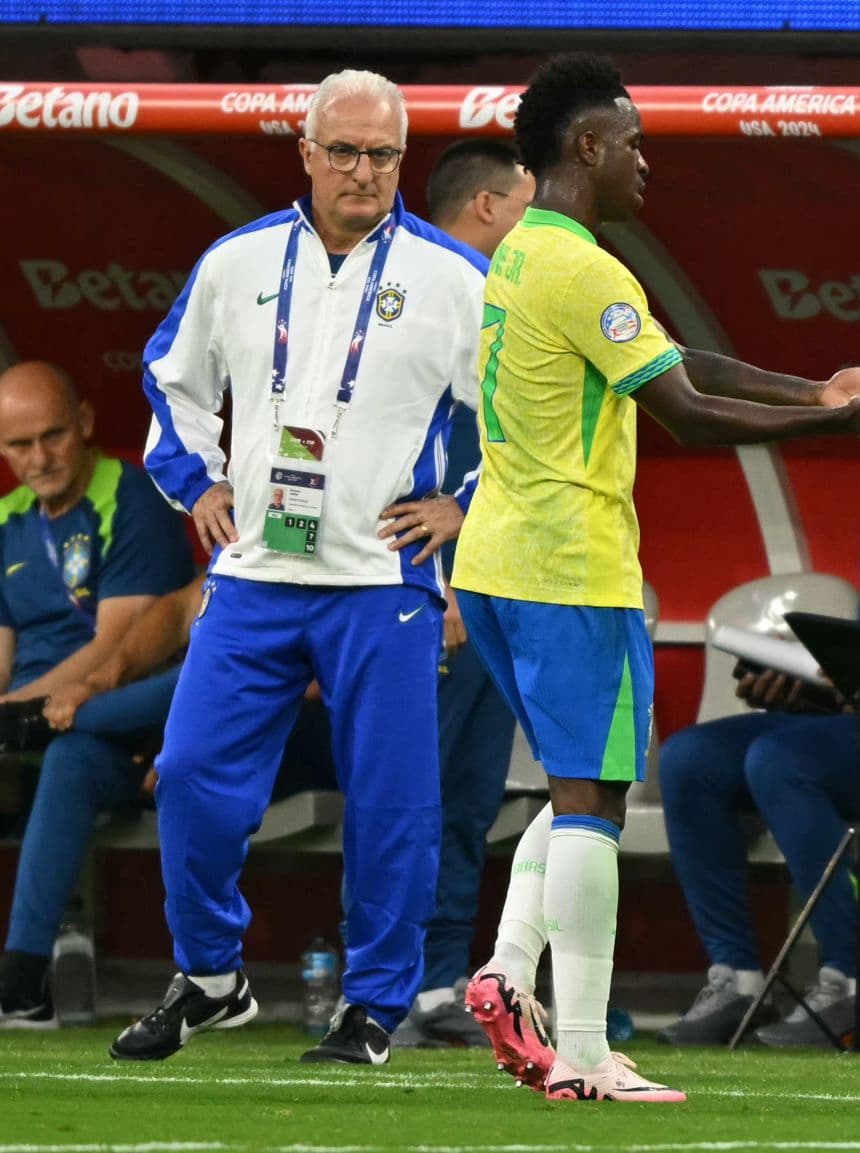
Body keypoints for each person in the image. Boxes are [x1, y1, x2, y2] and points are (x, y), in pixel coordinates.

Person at [453, 52, 860, 1104]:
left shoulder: (529, 253)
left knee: (571, 789)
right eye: (634, 141)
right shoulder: (585, 268)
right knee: (596, 798)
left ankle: (510, 978)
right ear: (587, 147)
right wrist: (831, 418)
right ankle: (590, 1053)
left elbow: (670, 356)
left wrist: (811, 384)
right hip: (569, 567)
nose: (648, 160)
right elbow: (685, 410)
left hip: (497, 563)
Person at [111, 68, 488, 1066]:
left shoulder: (456, 278)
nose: (364, 172)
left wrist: (464, 504)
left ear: (403, 160)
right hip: (254, 576)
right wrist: (197, 484)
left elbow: (524, 424)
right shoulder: (235, 262)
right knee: (189, 774)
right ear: (307, 152)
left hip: (383, 582)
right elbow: (169, 384)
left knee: (394, 802)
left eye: (385, 155)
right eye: (346, 151)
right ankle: (212, 975)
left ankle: (373, 1006)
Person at [658, 485, 860, 1047]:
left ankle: (852, 984)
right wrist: (807, 692)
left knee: (782, 759)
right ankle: (736, 980)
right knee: (689, 759)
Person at [388, 138, 535, 1050]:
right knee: (413, 795)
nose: (539, 224)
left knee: (466, 801)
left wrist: (470, 513)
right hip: (424, 595)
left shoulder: (499, 293)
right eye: (527, 204)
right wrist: (431, 576)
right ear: (485, 206)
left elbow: (512, 441)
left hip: (488, 590)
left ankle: (438, 978)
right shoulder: (420, 287)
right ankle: (392, 975)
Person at [0, 362, 193, 1027]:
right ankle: (24, 982)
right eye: (18, 445)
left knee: (74, 742)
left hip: (136, 725)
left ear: (84, 423)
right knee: (67, 753)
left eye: (52, 435)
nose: (38, 458)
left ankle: (27, 970)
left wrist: (21, 717)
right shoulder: (6, 522)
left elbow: (118, 652)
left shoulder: (131, 496)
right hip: (48, 728)